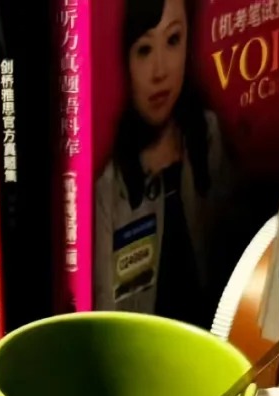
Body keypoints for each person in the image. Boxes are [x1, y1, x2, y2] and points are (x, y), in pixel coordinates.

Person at [94, 0, 223, 325]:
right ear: (124, 60)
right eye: (144, 50)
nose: (160, 71)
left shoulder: (206, 136)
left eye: (173, 40)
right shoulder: (110, 187)